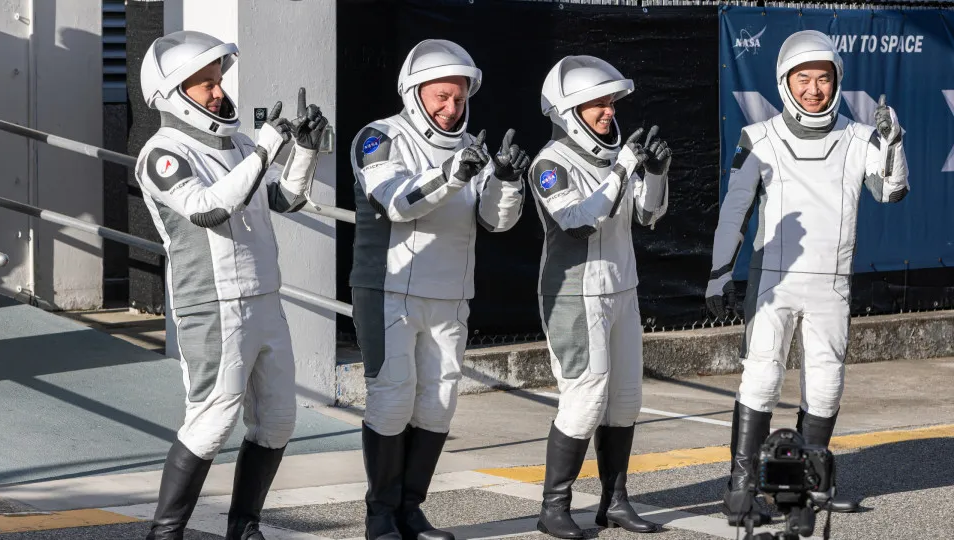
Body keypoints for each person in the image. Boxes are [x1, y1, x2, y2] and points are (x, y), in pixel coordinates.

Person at [706, 30, 909, 524]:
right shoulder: (758, 137)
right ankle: (741, 489)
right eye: (803, 78)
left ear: (837, 81)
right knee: (761, 379)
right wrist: (718, 275)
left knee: (825, 385)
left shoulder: (860, 137)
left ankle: (807, 488)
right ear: (784, 81)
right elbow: (733, 213)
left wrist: (893, 143)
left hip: (830, 285)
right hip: (772, 283)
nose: (814, 89)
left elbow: (890, 191)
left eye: (823, 78)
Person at [136, 30, 329, 540]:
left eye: (218, 80)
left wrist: (304, 150)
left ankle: (244, 527)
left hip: (264, 296)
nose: (219, 91)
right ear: (172, 93)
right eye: (205, 84)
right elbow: (208, 208)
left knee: (278, 421)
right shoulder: (162, 152)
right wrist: (265, 149)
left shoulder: (241, 144)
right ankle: (164, 533)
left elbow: (284, 198)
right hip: (212, 302)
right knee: (211, 422)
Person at [349, 39, 528, 540]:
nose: (452, 108)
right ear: (414, 93)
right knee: (392, 398)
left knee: (439, 402)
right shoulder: (379, 136)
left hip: (451, 293)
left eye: (459, 98)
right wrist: (452, 175)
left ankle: (410, 510)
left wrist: (505, 181)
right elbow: (395, 201)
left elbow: (496, 221)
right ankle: (380, 516)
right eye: (442, 97)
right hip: (388, 289)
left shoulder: (472, 147)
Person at [528, 55, 671, 538]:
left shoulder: (616, 157)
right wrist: (625, 167)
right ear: (569, 112)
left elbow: (649, 216)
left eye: (611, 103)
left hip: (622, 288)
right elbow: (579, 221)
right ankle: (553, 507)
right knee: (585, 399)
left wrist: (656, 172)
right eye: (598, 104)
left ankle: (615, 502)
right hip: (575, 293)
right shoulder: (549, 163)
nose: (609, 111)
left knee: (625, 401)